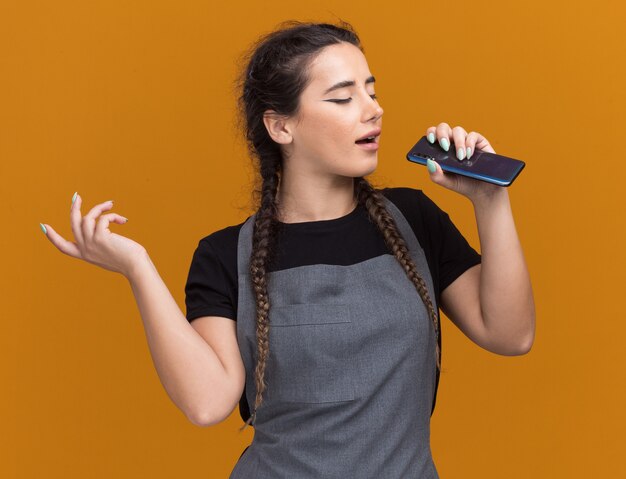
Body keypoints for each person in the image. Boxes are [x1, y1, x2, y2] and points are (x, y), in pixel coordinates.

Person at [40, 20, 535, 479]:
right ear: (281, 127)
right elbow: (208, 403)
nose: (373, 108)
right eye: (343, 98)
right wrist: (137, 267)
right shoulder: (223, 255)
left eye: (372, 90)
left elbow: (510, 334)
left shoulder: (413, 219)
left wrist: (490, 201)